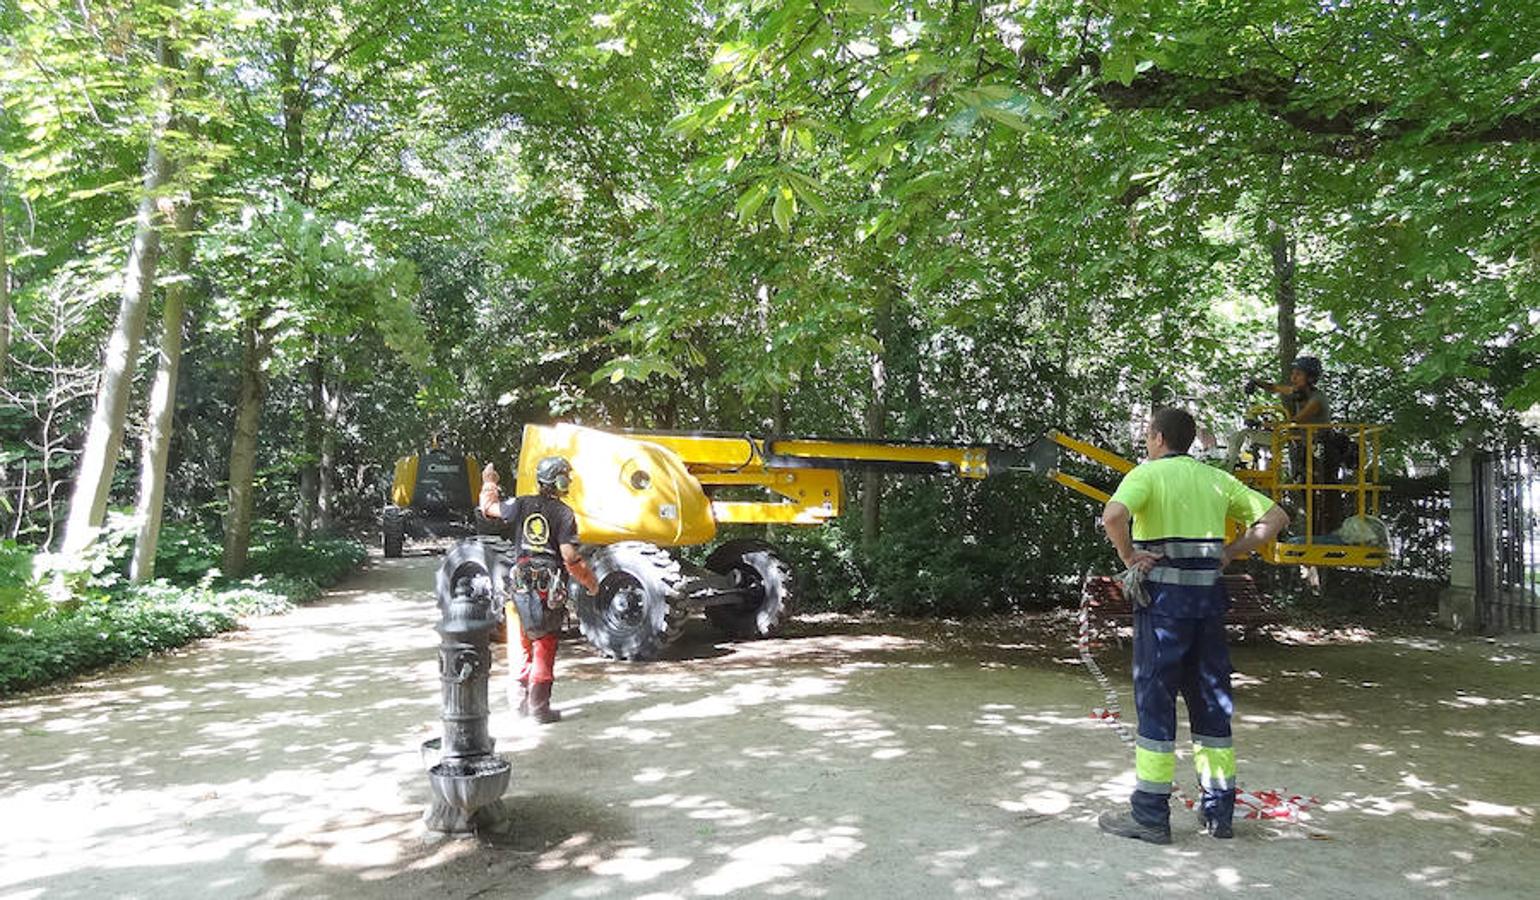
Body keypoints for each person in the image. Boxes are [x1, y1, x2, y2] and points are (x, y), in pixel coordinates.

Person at [1097, 407, 1289, 844]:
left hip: (1163, 609)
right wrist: (1232, 551)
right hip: (1208, 608)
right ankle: (1218, 814)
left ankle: (1149, 815)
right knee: (1211, 707)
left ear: (1159, 438)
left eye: (1148, 436)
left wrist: (1128, 557)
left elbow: (1113, 516)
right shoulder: (1216, 479)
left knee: (1156, 705)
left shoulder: (1146, 475)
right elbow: (1276, 518)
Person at [480, 456, 599, 724]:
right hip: (546, 589)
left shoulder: (520, 504)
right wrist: (591, 583)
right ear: (559, 481)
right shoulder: (563, 513)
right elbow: (569, 556)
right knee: (544, 644)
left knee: (520, 643)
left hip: (519, 584)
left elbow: (488, 507)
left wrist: (489, 482)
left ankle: (518, 702)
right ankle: (539, 707)